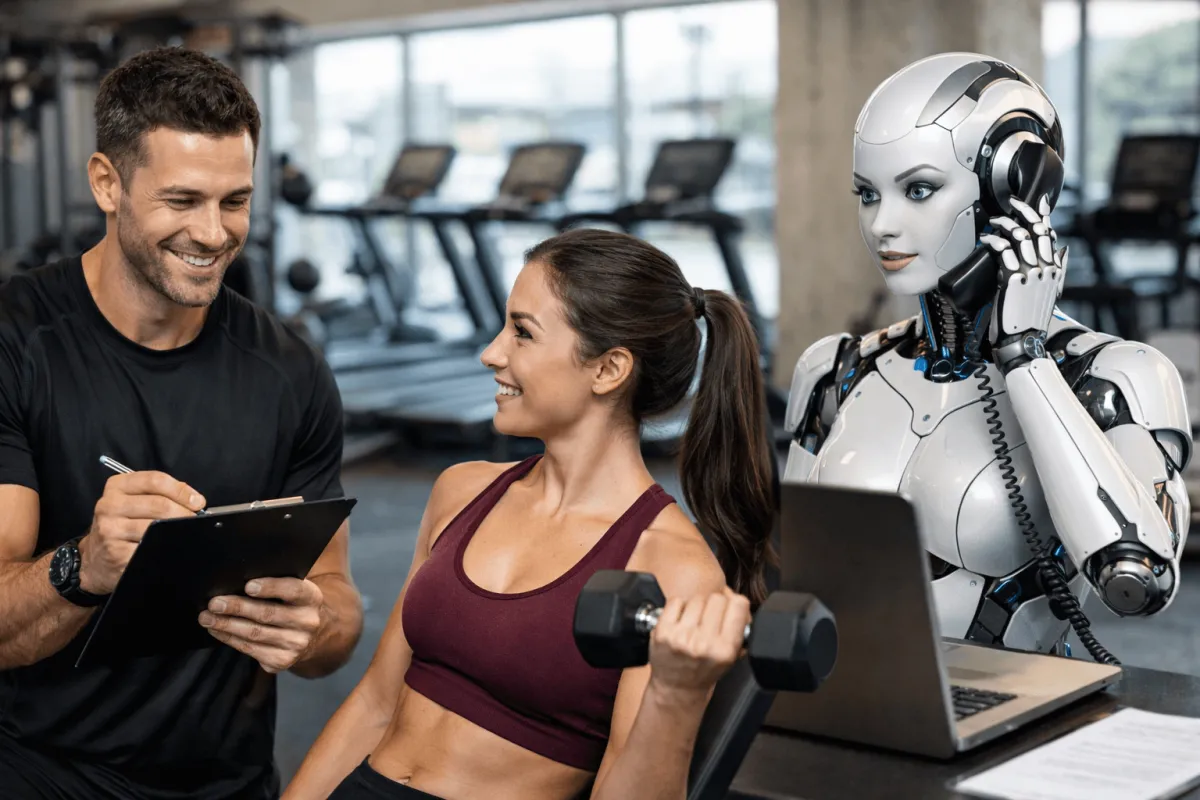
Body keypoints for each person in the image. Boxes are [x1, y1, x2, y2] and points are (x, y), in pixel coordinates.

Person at [283, 227, 777, 800]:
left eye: (522, 332)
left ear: (608, 369)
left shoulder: (672, 567)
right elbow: (375, 701)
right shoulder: (462, 491)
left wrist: (677, 695)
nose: (491, 353)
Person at [0, 47, 363, 798]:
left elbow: (337, 613)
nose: (213, 233)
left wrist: (313, 628)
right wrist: (84, 565)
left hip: (227, 779)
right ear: (108, 183)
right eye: (183, 200)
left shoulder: (290, 370)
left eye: (235, 201)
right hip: (42, 771)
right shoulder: (17, 344)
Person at [783, 52, 1190, 662]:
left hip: (1020, 697)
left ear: (1013, 190)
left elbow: (1139, 581)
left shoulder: (1112, 377)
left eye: (918, 190)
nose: (883, 225)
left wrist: (1025, 357)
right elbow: (791, 571)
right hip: (854, 687)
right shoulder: (836, 370)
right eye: (867, 194)